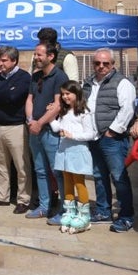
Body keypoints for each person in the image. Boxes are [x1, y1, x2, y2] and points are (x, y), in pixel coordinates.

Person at [82, 48, 136, 233]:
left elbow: (127, 109)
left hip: (112, 139)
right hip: (94, 137)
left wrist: (113, 131)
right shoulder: (88, 83)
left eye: (105, 63)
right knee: (98, 175)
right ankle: (103, 211)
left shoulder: (122, 83)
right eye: (97, 63)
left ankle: (126, 216)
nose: (101, 66)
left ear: (113, 64)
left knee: (119, 178)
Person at [0, 46, 32, 213]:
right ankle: (2, 196)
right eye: (0, 60)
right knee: (0, 165)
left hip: (16, 127)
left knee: (21, 166)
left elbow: (14, 97)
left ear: (14, 61)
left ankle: (23, 200)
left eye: (4, 60)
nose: (0, 63)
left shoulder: (23, 77)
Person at [24, 42, 68, 222]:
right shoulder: (35, 77)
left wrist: (40, 122)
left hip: (51, 132)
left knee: (57, 171)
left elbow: (58, 104)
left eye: (39, 55)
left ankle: (65, 209)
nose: (36, 58)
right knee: (40, 170)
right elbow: (29, 100)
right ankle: (44, 206)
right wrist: (30, 121)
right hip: (35, 130)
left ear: (51, 56)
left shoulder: (60, 76)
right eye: (35, 54)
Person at [50, 81, 96, 233]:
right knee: (67, 181)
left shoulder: (84, 111)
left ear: (76, 94)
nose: (65, 97)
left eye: (68, 94)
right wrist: (51, 117)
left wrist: (73, 136)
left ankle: (84, 215)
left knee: (79, 182)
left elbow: (91, 133)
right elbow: (58, 128)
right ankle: (70, 211)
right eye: (62, 94)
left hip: (77, 151)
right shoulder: (64, 112)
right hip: (64, 151)